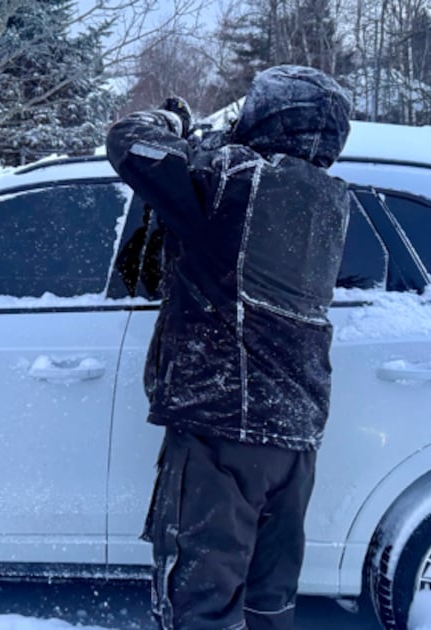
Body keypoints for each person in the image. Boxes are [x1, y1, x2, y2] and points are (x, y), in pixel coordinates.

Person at [105, 65, 354, 630]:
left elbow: (128, 142)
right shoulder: (330, 200)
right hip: (294, 435)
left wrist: (170, 121)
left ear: (265, 116)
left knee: (201, 607)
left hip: (223, 431)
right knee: (268, 602)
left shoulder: (231, 180)